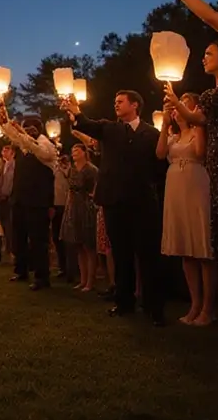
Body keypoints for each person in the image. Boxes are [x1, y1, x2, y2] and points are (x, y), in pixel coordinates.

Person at [61, 90, 165, 326]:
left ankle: (153, 306)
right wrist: (75, 110)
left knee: (147, 255)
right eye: (114, 101)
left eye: (120, 102)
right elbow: (86, 124)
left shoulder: (151, 133)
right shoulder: (109, 128)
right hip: (114, 202)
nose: (116, 105)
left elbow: (159, 167)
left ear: (135, 105)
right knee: (121, 254)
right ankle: (124, 302)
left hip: (142, 202)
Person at [163, 38, 218, 276]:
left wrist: (177, 102)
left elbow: (198, 119)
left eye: (209, 53)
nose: (203, 58)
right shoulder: (213, 93)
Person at [157, 92, 215, 325]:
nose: (176, 108)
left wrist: (192, 122)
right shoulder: (173, 137)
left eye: (183, 104)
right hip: (175, 189)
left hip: (196, 185)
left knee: (202, 249)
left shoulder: (198, 130)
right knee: (186, 251)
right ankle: (194, 304)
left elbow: (200, 153)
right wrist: (163, 125)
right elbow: (160, 154)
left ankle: (208, 309)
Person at [3, 113, 56, 290]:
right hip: (19, 199)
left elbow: (42, 152)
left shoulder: (45, 144)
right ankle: (21, 270)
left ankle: (42, 277)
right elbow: (12, 135)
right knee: (19, 238)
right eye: (25, 128)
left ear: (37, 129)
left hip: (37, 201)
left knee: (38, 240)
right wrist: (3, 118)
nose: (26, 132)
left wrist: (23, 136)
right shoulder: (23, 145)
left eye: (30, 128)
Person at [60, 144, 98, 291]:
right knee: (79, 245)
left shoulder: (91, 169)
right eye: (72, 150)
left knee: (89, 246)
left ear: (84, 152)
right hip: (73, 207)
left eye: (77, 150)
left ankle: (90, 281)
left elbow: (95, 187)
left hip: (86, 208)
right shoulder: (73, 169)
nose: (74, 153)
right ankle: (82, 279)